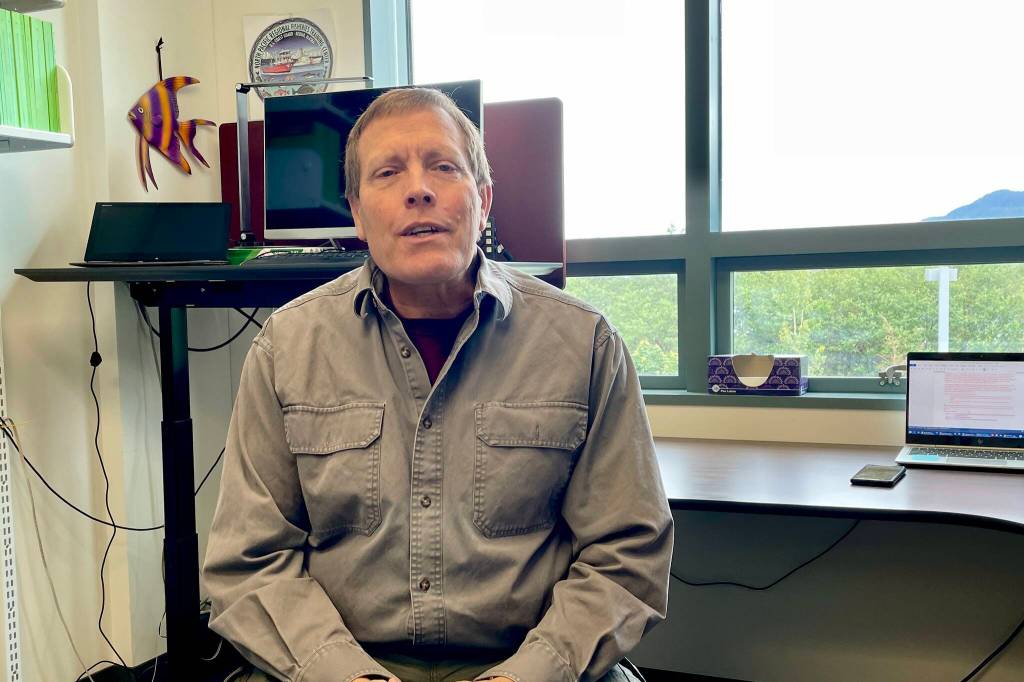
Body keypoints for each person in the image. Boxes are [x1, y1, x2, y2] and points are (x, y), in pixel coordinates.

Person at [203, 87, 674, 682]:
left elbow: (627, 555)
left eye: (444, 166)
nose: (418, 189)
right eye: (388, 172)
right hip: (340, 664)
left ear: (483, 198)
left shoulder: (584, 344)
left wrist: (530, 672)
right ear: (356, 210)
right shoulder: (287, 348)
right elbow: (249, 563)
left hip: (529, 663)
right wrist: (343, 673)